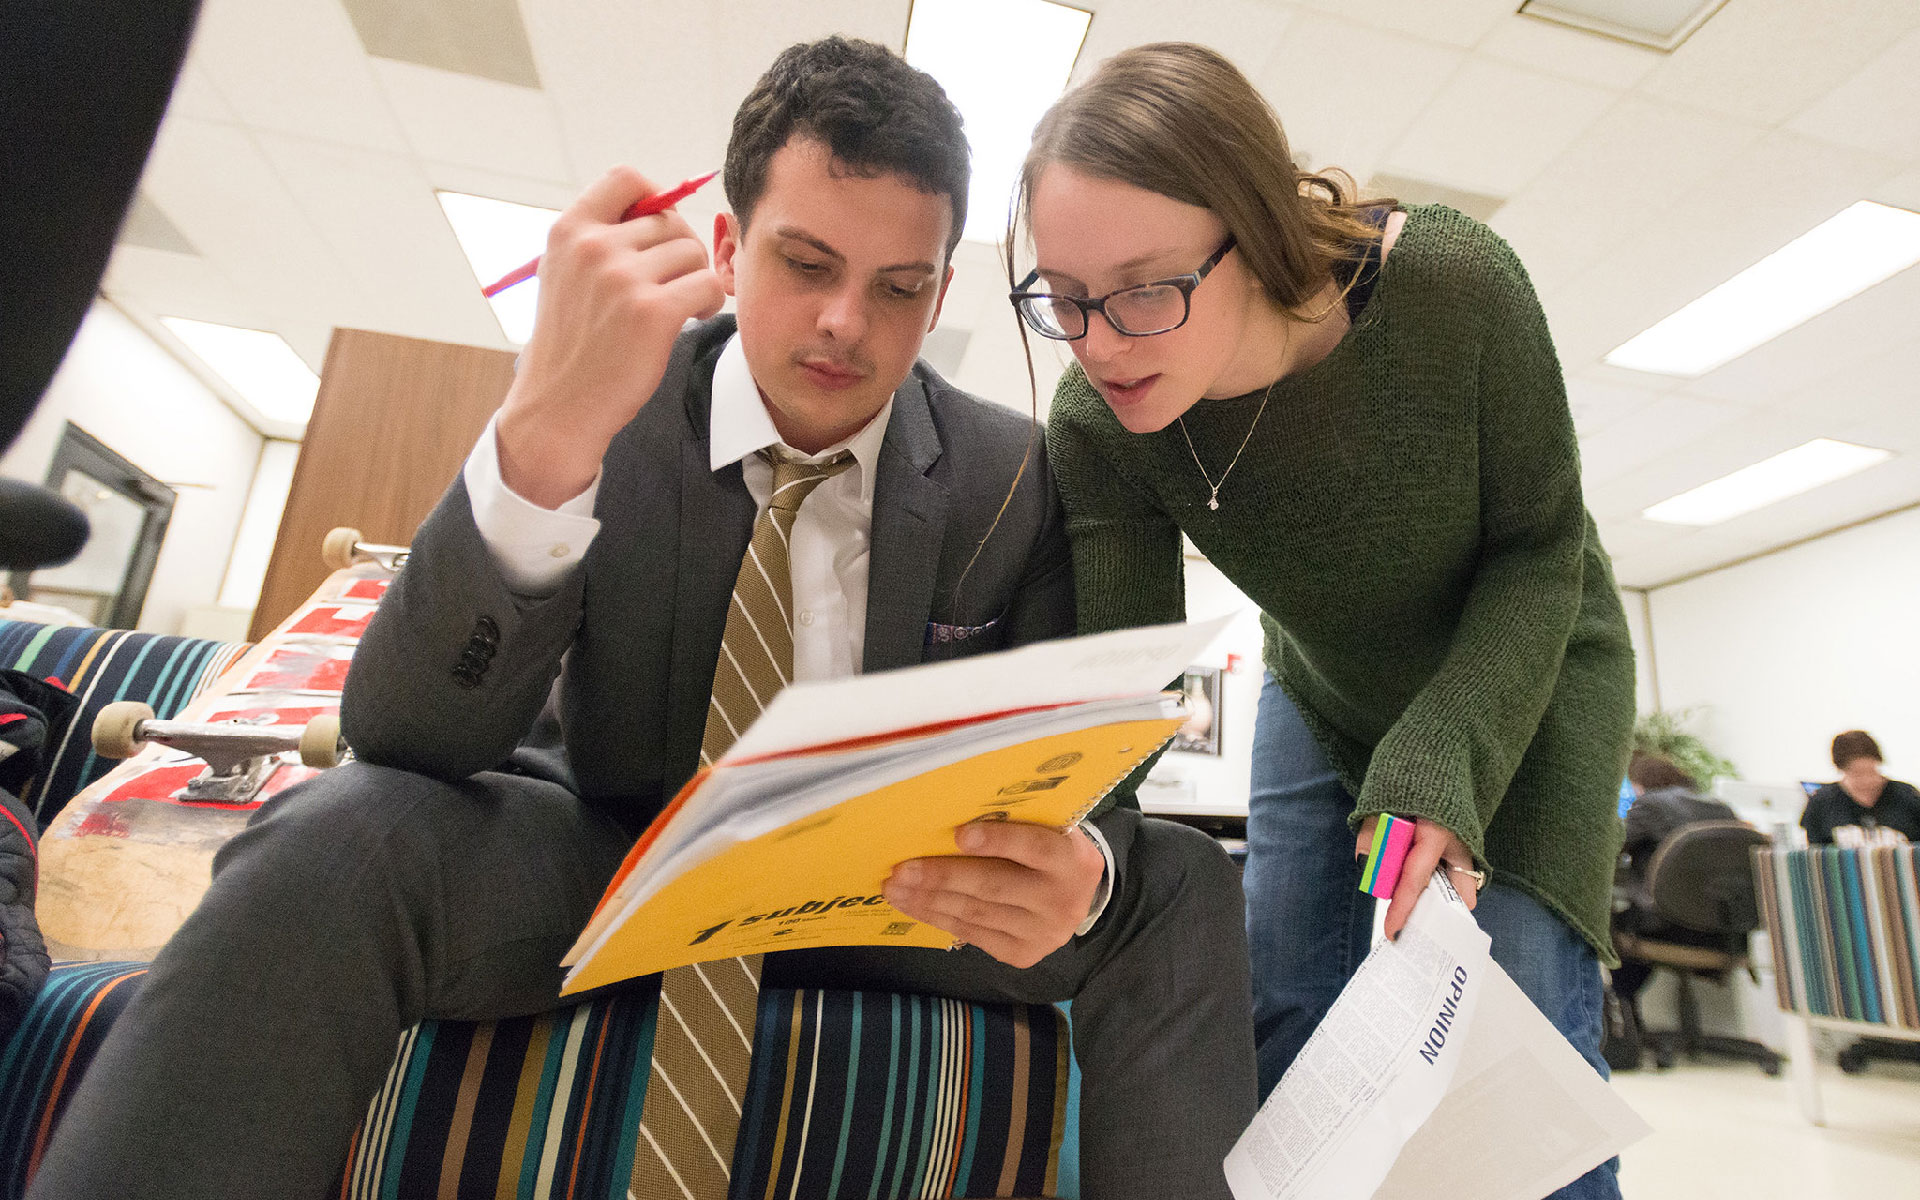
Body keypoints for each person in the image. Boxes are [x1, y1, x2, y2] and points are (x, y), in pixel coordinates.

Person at [27, 37, 1255, 1200]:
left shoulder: (1015, 475)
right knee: (335, 835)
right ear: (728, 245)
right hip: (609, 851)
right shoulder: (604, 394)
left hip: (896, 888)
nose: (846, 323)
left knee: (1177, 883)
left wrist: (1082, 868)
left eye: (898, 286)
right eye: (806, 263)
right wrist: (544, 443)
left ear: (938, 301)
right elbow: (404, 733)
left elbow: (1075, 774)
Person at [1007, 43, 1634, 1199]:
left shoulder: (1455, 289)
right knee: (1288, 1017)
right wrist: (1062, 831)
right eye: (1064, 298)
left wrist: (1445, 752)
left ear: (1252, 228)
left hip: (1531, 677)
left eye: (1146, 288)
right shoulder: (1098, 424)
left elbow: (1542, 553)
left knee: (1511, 1024)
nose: (1099, 342)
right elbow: (1128, 683)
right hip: (1328, 684)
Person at [1608, 753, 1745, 1036]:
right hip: (1724, 936)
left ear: (1639, 785)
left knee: (1613, 925)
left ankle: (1621, 1021)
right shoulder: (1723, 808)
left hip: (1667, 929)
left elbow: (1610, 849)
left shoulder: (1649, 804)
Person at [1801, 729, 1920, 846]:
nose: (1867, 780)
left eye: (1872, 772)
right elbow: (1815, 853)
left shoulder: (1907, 796)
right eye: (1857, 774)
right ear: (1842, 770)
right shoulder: (1822, 803)